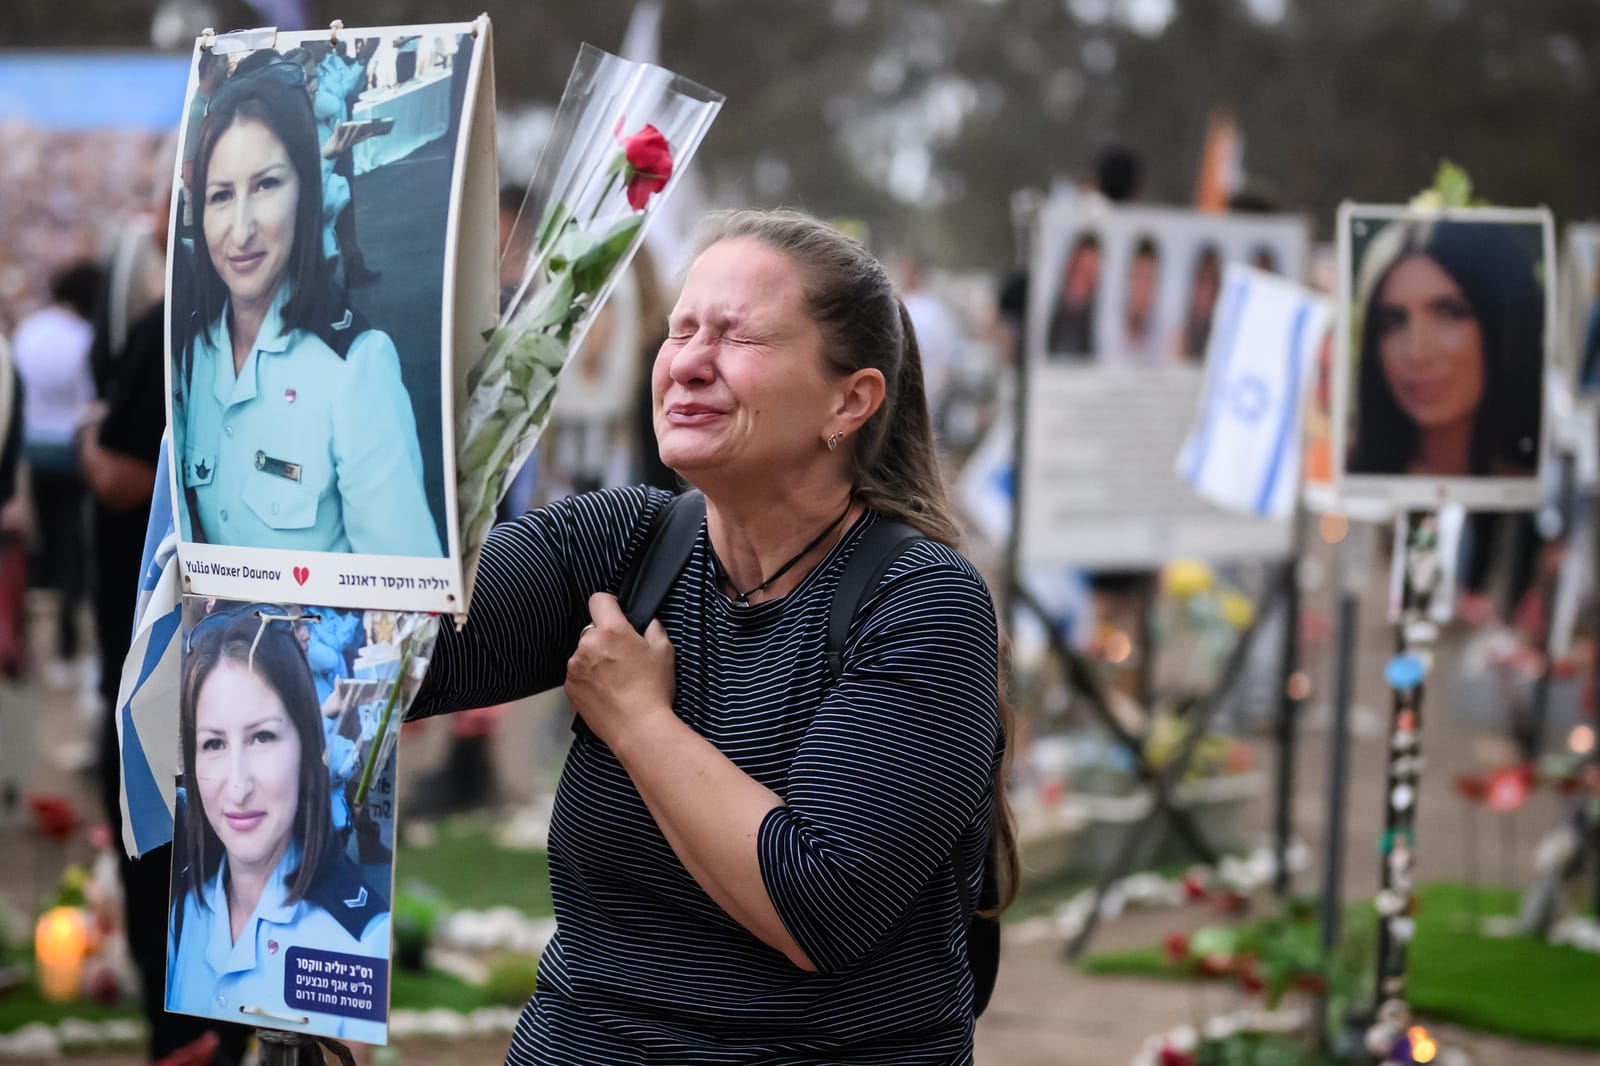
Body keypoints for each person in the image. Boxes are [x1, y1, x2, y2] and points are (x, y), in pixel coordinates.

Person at [409, 208, 1018, 1064]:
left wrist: (639, 723)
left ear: (851, 399)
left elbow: (820, 905)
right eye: (680, 330)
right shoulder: (620, 545)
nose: (687, 361)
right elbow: (403, 651)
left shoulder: (921, 602)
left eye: (738, 338)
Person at [173, 56, 441, 556]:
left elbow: (408, 606)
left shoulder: (357, 368)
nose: (242, 227)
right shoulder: (191, 356)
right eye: (221, 196)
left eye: (267, 185)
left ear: (307, 190)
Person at [167, 604, 389, 1044]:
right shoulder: (185, 912)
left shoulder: (361, 939)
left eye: (262, 737)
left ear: (309, 744)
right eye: (212, 743)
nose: (237, 786)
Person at [1347, 218, 1543, 478]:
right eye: (1393, 320)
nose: (1417, 353)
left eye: (1449, 313)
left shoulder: (1545, 486)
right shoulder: (1345, 477)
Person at [12, 260, 101, 689]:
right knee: (70, 547)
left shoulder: (30, 330)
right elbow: (89, 401)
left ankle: (24, 641)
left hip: (31, 451)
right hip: (69, 454)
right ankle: (64, 645)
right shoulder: (85, 338)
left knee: (35, 547)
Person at [1047, 231, 1101, 357]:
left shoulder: (1095, 321)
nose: (1087, 282)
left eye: (1092, 275)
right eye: (1082, 272)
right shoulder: (1050, 310)